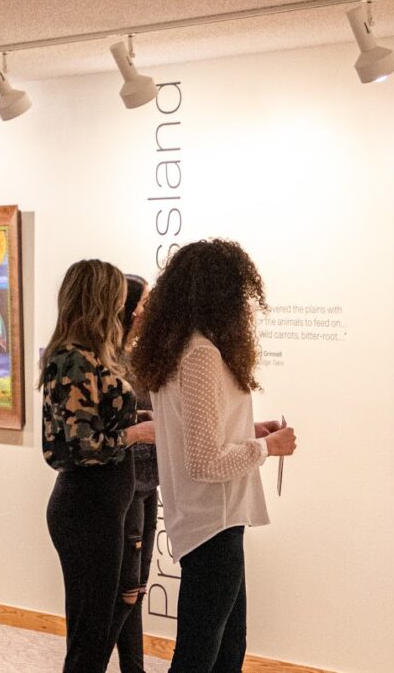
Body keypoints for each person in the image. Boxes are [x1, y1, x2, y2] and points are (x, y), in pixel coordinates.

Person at [131, 239, 297, 673]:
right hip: (214, 522)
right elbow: (205, 462)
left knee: (225, 647)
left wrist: (251, 432)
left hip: (206, 519)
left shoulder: (177, 348)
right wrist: (267, 447)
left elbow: (196, 435)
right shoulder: (201, 353)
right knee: (204, 654)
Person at [40, 259, 156, 673]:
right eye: (121, 298)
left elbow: (100, 420)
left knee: (99, 628)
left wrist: (139, 422)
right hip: (85, 508)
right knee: (90, 638)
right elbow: (80, 445)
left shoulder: (91, 356)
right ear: (101, 300)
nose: (130, 307)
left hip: (105, 506)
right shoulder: (72, 359)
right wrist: (137, 435)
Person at [114, 274, 160, 672]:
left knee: (138, 588)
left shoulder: (141, 356)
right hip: (126, 485)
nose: (147, 309)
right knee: (126, 590)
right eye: (143, 301)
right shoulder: (111, 362)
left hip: (149, 484)